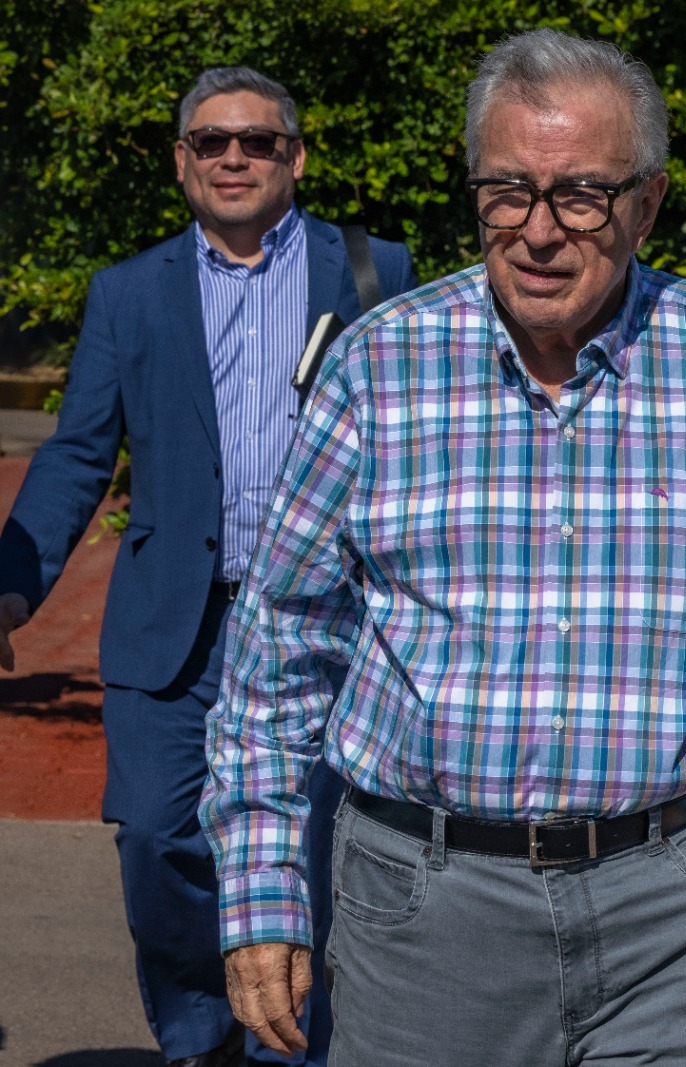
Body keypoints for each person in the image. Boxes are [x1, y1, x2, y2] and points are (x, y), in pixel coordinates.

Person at [199, 28, 686, 1065]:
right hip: (423, 915)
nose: (539, 231)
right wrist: (261, 892)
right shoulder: (380, 366)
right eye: (507, 191)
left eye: (582, 195)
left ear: (648, 203)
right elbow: (277, 651)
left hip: (677, 909)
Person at [0, 67, 415, 1067]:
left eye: (257, 141)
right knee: (158, 841)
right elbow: (77, 454)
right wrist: (12, 587)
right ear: (182, 163)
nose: (235, 157)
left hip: (327, 623)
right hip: (174, 628)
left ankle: (287, 1051)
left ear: (294, 158)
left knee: (310, 853)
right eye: (212, 142)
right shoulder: (129, 292)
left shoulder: (374, 273)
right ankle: (204, 1034)